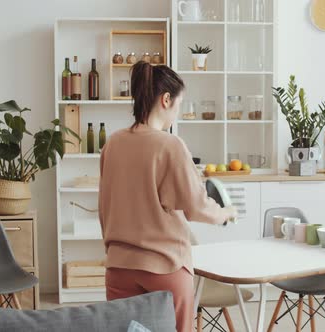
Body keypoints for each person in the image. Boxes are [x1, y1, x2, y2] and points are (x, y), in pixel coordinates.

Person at [98, 61, 237, 331]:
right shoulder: (170, 145)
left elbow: (105, 208)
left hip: (119, 267)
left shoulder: (112, 143)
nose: (178, 112)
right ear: (166, 100)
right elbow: (196, 207)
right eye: (179, 104)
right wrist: (226, 213)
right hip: (165, 266)